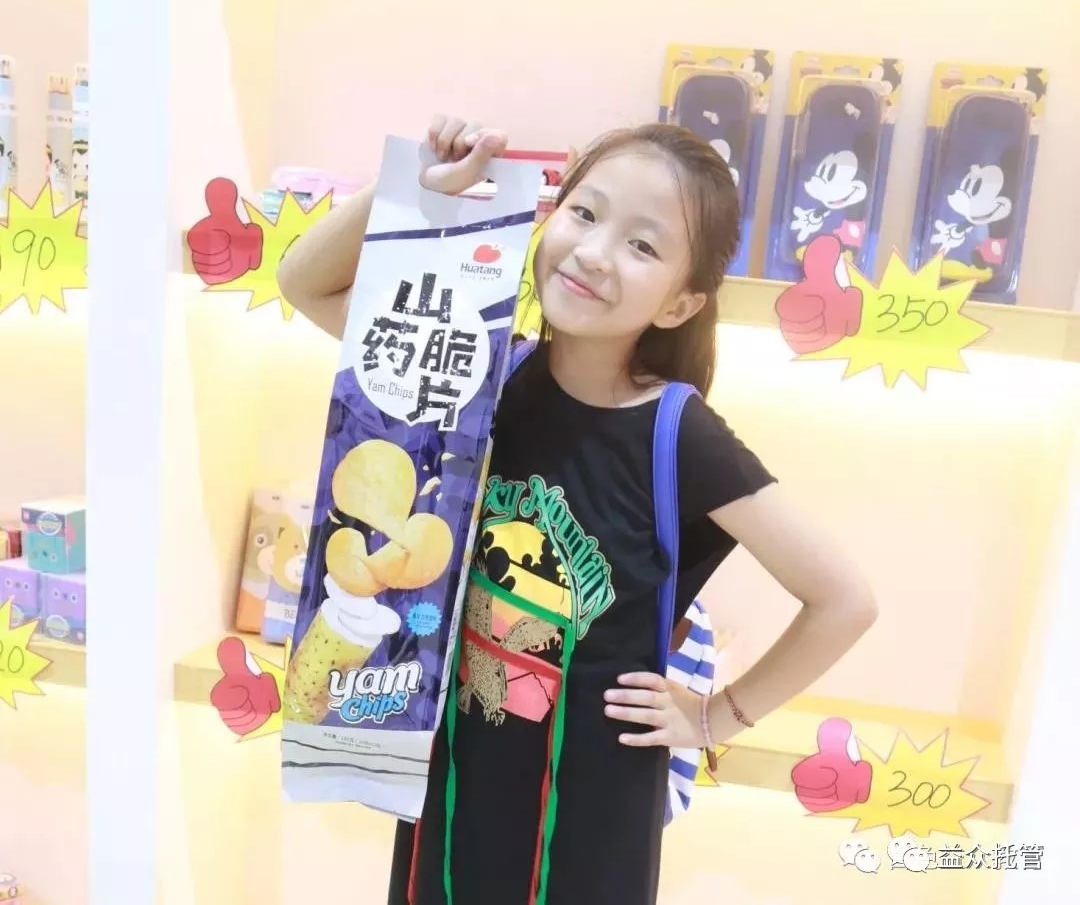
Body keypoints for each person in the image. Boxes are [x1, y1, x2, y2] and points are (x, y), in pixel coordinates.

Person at [277, 114, 879, 905]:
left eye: (643, 245)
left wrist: (715, 717)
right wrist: (420, 185)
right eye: (585, 213)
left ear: (680, 303)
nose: (595, 252)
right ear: (548, 214)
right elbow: (304, 282)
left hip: (589, 815)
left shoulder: (676, 432)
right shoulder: (478, 372)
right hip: (452, 782)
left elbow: (845, 599)